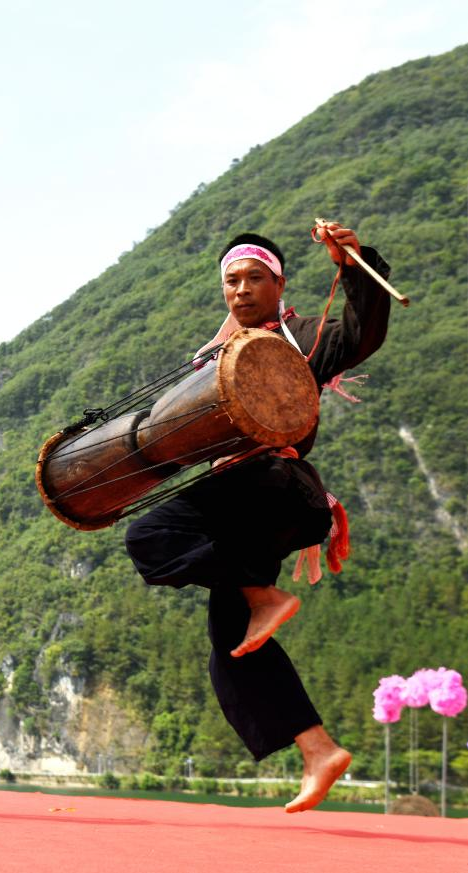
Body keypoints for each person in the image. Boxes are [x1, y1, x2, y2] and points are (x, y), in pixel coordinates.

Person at [124, 222, 390, 814]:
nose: (242, 289)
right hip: (243, 502)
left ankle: (261, 594)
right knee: (233, 646)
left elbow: (360, 333)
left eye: (254, 278)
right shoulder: (211, 360)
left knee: (151, 533)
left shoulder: (295, 339)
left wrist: (353, 264)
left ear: (279, 284)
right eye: (232, 280)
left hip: (276, 487)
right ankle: (319, 750)